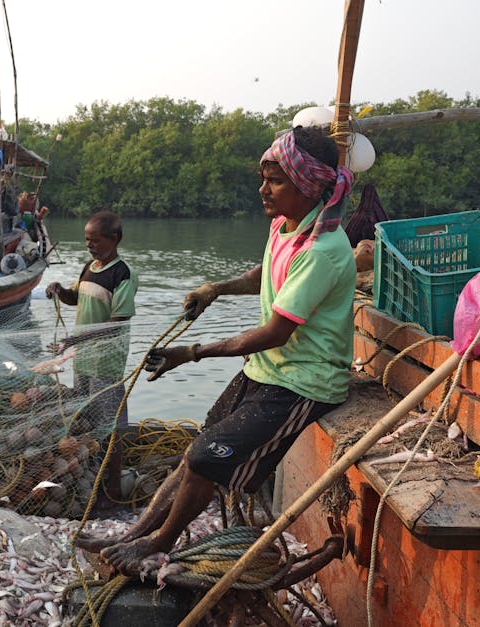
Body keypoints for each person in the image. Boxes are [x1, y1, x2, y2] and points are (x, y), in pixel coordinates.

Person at [85, 126, 356, 575]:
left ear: (307, 186)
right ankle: (135, 534)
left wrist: (192, 352)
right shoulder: (284, 228)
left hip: (305, 381)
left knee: (206, 457)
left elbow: (274, 332)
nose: (262, 189)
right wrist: (216, 288)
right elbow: (261, 275)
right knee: (198, 449)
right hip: (269, 370)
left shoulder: (324, 250)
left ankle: (158, 544)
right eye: (263, 177)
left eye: (275, 180)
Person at [44, 210, 137, 504]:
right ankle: (92, 474)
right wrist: (59, 290)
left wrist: (74, 339)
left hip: (105, 362)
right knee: (85, 418)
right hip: (83, 359)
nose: (90, 245)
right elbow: (76, 298)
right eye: (87, 240)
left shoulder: (123, 274)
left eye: (95, 240)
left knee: (111, 425)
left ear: (114, 239)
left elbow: (118, 322)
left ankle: (113, 485)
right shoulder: (89, 267)